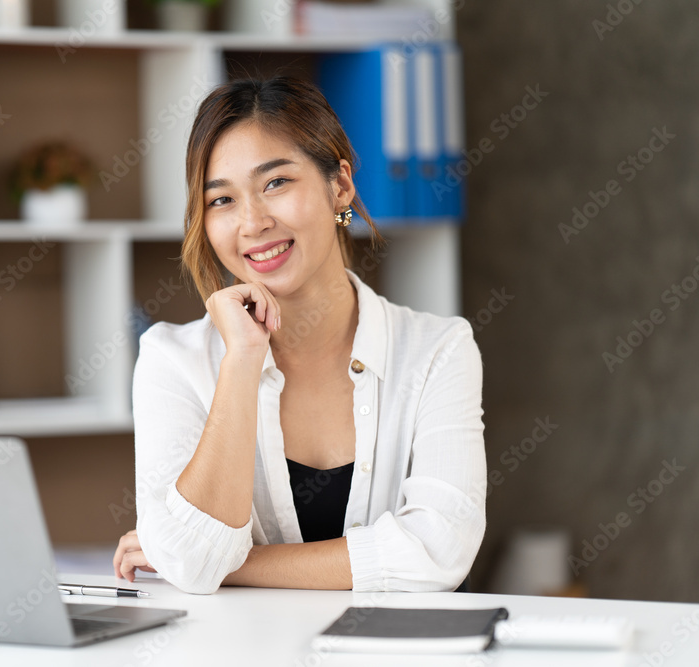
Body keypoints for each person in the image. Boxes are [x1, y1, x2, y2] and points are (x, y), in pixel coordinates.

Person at [112, 76, 486, 594]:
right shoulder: (170, 360)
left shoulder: (438, 351)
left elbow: (438, 552)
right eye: (221, 200)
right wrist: (242, 360)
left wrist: (233, 565)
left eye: (275, 184)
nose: (253, 222)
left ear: (340, 186)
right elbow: (191, 560)